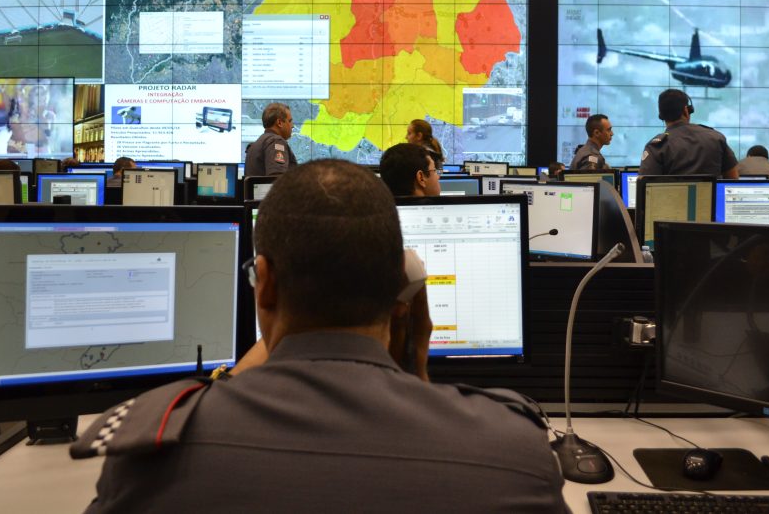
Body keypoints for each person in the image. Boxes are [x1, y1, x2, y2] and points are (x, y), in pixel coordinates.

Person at [72, 160, 567, 512]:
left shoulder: (149, 455)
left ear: (264, 283)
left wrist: (227, 383)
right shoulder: (514, 454)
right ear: (403, 289)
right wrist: (417, 378)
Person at [639, 89, 738, 178]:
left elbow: (644, 186)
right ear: (686, 110)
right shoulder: (716, 137)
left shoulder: (656, 147)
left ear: (661, 116)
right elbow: (732, 180)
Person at [245, 103, 297, 177]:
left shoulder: (255, 145)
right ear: (279, 123)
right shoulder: (276, 142)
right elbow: (277, 178)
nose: (292, 126)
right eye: (290, 121)